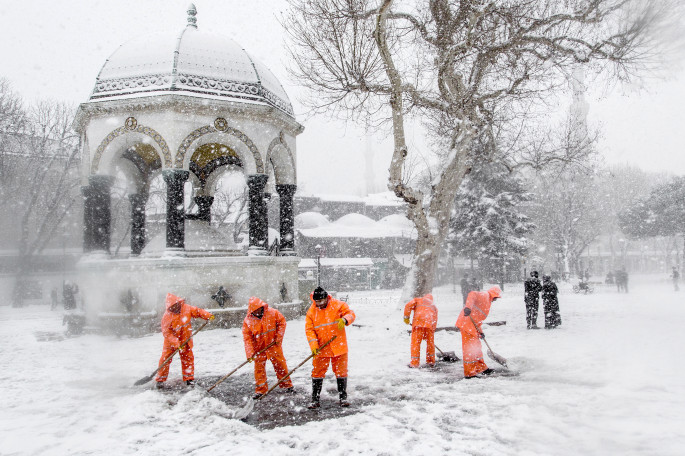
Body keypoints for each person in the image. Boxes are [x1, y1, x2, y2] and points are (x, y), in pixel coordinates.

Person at [305, 286, 356, 409]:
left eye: (321, 301)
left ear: (326, 298)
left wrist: (344, 319)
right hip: (321, 348)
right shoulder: (311, 312)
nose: (319, 304)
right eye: (317, 301)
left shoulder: (338, 305)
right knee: (317, 373)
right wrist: (314, 345)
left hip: (339, 346)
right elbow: (309, 330)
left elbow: (351, 314)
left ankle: (343, 398)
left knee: (341, 372)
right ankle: (315, 399)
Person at [155, 293, 214, 388]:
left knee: (188, 358)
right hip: (170, 342)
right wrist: (176, 343)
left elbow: (197, 311)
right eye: (173, 306)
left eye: (176, 305)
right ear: (170, 307)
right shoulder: (166, 317)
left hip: (185, 339)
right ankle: (160, 379)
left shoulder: (186, 308)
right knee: (165, 359)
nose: (176, 307)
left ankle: (189, 379)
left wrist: (207, 315)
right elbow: (167, 333)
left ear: (179, 303)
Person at [242, 296, 294, 399]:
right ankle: (261, 390)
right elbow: (247, 339)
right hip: (259, 348)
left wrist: (278, 338)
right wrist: (250, 353)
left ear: (262, 307)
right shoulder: (248, 321)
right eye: (255, 310)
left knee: (280, 365)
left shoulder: (272, 313)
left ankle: (286, 385)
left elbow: (282, 322)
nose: (257, 312)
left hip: (273, 345)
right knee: (259, 369)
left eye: (259, 309)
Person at [455, 286, 502, 378]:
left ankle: (481, 368)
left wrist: (480, 331)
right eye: (496, 297)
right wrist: (468, 307)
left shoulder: (488, 301)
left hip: (473, 326)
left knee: (476, 348)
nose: (495, 300)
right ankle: (469, 373)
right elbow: (472, 294)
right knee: (469, 349)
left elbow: (478, 320)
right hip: (466, 324)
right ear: (493, 295)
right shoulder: (485, 295)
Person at [403, 293, 438, 368]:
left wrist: (406, 317)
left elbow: (408, 306)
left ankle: (414, 363)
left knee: (415, 344)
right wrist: (432, 331)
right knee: (430, 344)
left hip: (418, 325)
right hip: (429, 326)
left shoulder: (418, 300)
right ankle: (431, 361)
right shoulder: (434, 307)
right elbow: (435, 320)